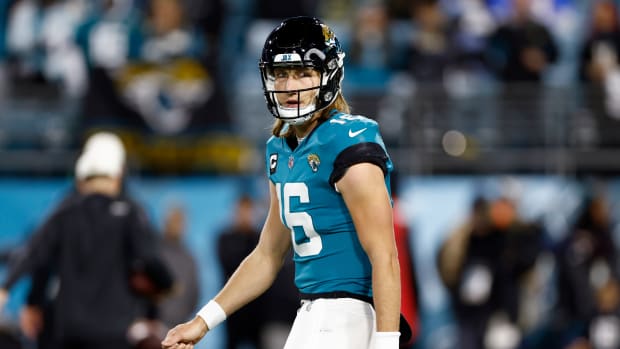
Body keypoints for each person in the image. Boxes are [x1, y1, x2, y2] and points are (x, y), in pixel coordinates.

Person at [162, 16, 408, 349]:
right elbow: (267, 255)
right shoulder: (279, 149)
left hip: (350, 315)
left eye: (303, 73)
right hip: (309, 313)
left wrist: (386, 342)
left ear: (329, 75)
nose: (290, 86)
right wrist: (203, 321)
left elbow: (385, 256)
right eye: (281, 74)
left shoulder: (349, 139)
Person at [0, 132, 173, 349]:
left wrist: (14, 292)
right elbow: (148, 264)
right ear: (119, 173)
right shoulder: (132, 213)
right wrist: (163, 292)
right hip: (115, 328)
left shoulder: (64, 211)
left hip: (69, 329)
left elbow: (37, 254)